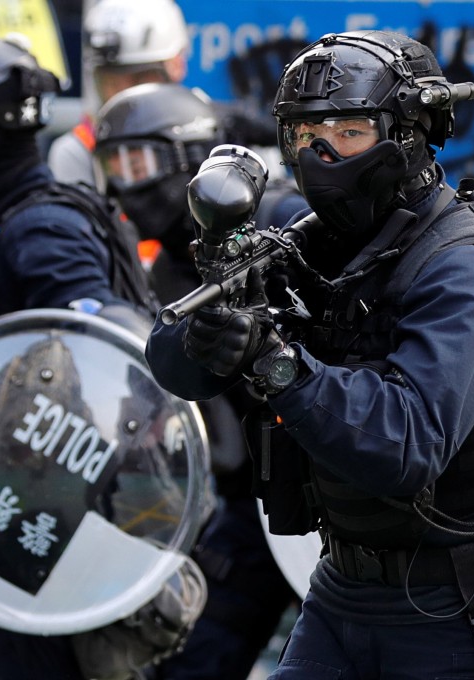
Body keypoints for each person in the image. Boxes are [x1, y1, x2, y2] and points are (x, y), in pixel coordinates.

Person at [145, 30, 474, 680]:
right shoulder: (317, 245)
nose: (320, 153)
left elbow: (406, 445)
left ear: (408, 134)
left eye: (348, 130)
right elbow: (172, 366)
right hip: (341, 587)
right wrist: (211, 330)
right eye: (304, 133)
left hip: (458, 604)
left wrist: (273, 360)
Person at [0, 27, 203, 680]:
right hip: (15, 505)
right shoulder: (4, 220)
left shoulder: (42, 227)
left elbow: (111, 355)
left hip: (57, 518)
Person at [94, 81, 306, 679]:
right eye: (115, 166)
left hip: (333, 481)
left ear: (192, 155)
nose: (127, 184)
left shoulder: (283, 220)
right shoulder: (167, 267)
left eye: (139, 161)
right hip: (249, 500)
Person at [47, 0, 189, 185]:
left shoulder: (213, 137)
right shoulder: (79, 150)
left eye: (139, 79)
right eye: (110, 82)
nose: (123, 96)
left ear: (176, 65)